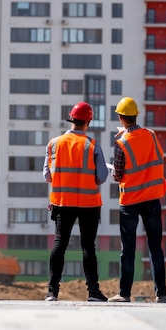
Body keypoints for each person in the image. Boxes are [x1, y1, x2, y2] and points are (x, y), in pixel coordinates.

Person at [108, 97, 166, 303]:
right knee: (155, 247)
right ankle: (161, 294)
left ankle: (124, 294)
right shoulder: (152, 135)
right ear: (136, 115)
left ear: (120, 117)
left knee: (128, 249)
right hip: (152, 197)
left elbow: (118, 174)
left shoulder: (121, 143)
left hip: (130, 200)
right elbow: (157, 158)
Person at [42, 101, 109, 302]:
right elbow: (102, 177)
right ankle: (93, 292)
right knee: (88, 247)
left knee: (59, 244)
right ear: (88, 122)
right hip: (88, 203)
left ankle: (52, 292)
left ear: (71, 119)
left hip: (63, 202)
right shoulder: (92, 145)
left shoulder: (54, 143)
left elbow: (47, 175)